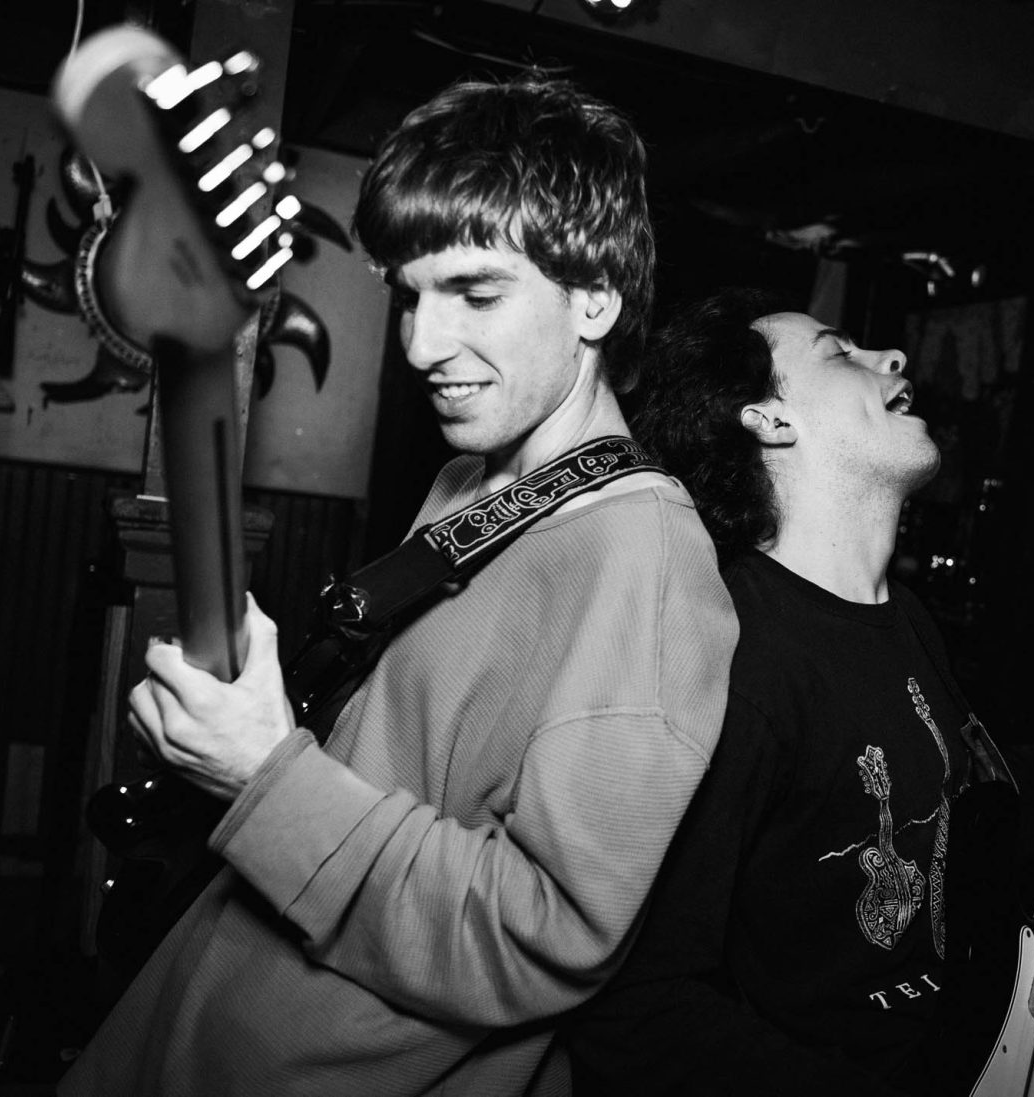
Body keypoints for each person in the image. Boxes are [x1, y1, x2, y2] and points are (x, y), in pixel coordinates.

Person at [59, 77, 738, 1096]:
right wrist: (257, 711)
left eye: (476, 292)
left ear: (596, 294)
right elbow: (409, 765)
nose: (420, 344)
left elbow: (542, 936)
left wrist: (264, 774)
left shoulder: (645, 562)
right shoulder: (482, 479)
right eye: (409, 293)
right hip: (223, 1023)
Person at [565, 288, 1034, 1094]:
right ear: (768, 420)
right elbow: (641, 1006)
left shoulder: (907, 621)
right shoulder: (737, 656)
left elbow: (962, 849)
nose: (891, 359)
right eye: (838, 352)